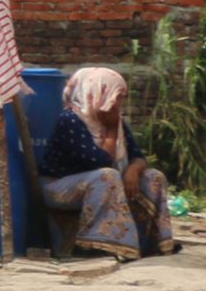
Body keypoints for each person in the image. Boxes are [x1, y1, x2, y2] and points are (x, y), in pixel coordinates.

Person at [40, 65, 176, 258]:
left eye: (121, 98)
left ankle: (148, 242)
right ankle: (95, 244)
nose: (117, 104)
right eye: (115, 96)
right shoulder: (70, 120)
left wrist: (133, 171)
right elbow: (100, 161)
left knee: (154, 177)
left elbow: (138, 156)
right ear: (97, 93)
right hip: (58, 186)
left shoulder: (116, 122)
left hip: (101, 182)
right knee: (107, 176)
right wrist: (111, 131)